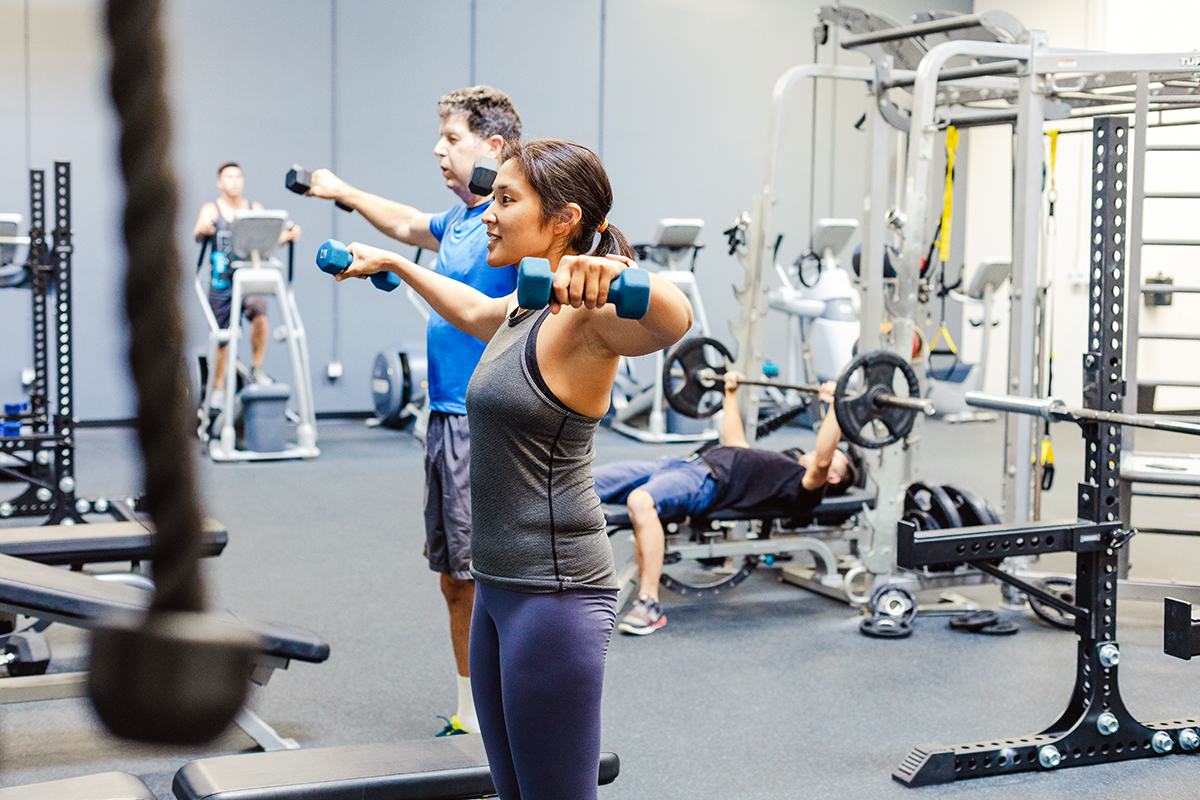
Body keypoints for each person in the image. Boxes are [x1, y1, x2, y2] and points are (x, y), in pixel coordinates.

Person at [333, 138, 692, 800]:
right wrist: (394, 264)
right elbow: (472, 310)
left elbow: (674, 320)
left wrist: (617, 276)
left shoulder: (590, 316)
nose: (487, 214)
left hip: (552, 598)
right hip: (498, 590)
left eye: (505, 199)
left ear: (564, 219)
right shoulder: (528, 304)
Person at [303, 86, 521, 736]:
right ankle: (471, 710)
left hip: (490, 420)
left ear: (495, 148)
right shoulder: (455, 223)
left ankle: (505, 713)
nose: (438, 149)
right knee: (456, 577)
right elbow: (400, 222)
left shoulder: (509, 224)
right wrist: (342, 191)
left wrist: (403, 265)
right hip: (444, 419)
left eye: (452, 138)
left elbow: (506, 307)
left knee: (491, 576)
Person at [594, 372, 859, 636]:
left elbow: (823, 460)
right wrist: (730, 393)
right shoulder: (783, 463)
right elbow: (736, 443)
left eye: (836, 455)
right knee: (581, 481)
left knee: (640, 501)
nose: (823, 452)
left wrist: (834, 407)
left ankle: (648, 604)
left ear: (833, 477)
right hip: (677, 465)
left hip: (705, 481)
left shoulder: (805, 485)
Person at [192, 162, 301, 407]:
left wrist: (289, 235)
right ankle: (218, 389)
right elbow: (198, 232)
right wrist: (203, 227)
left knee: (260, 318)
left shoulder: (254, 208)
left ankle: (257, 368)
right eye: (228, 177)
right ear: (220, 182)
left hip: (249, 279)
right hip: (222, 282)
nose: (234, 181)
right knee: (224, 338)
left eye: (238, 177)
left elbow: (270, 240)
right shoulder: (212, 209)